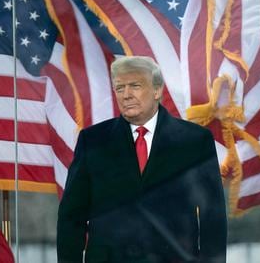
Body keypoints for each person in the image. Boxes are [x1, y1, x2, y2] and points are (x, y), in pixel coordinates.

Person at [57, 56, 227, 262]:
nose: (126, 95)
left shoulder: (195, 140)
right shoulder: (92, 140)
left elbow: (213, 217)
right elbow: (72, 216)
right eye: (120, 88)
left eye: (135, 86)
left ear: (157, 90)